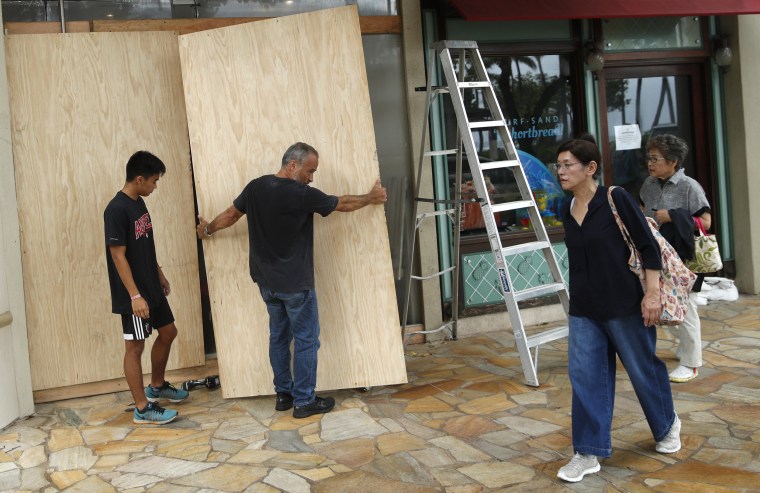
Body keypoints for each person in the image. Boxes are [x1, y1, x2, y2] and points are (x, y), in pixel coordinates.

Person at [196, 142, 387, 419]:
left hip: (266, 283)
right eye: (310, 171)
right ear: (293, 165)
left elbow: (230, 215)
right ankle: (304, 401)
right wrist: (371, 197)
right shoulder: (300, 195)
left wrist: (208, 230)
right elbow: (342, 203)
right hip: (295, 285)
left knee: (279, 337)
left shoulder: (256, 187)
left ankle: (283, 394)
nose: (311, 178)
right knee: (307, 341)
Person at [555, 135, 681, 483]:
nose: (561, 171)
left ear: (590, 168)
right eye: (559, 165)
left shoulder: (615, 198)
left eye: (568, 165)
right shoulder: (565, 208)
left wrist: (652, 294)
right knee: (585, 379)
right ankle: (588, 452)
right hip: (584, 309)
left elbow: (647, 245)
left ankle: (667, 425)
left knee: (643, 371)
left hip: (626, 304)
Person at [104, 151, 189, 425]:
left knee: (168, 332)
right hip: (134, 294)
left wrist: (159, 273)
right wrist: (135, 296)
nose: (155, 186)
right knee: (135, 347)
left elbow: (145, 244)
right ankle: (143, 408)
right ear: (139, 178)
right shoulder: (116, 209)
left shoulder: (139, 202)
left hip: (151, 286)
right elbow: (118, 255)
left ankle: (157, 385)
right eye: (153, 181)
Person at [640, 134, 711, 383]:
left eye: (655, 158)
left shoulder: (690, 186)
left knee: (687, 308)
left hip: (685, 256)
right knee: (670, 306)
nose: (650, 163)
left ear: (673, 162)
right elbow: (642, 212)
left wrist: (672, 216)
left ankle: (691, 364)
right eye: (649, 157)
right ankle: (684, 348)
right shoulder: (648, 184)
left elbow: (705, 222)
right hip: (658, 255)